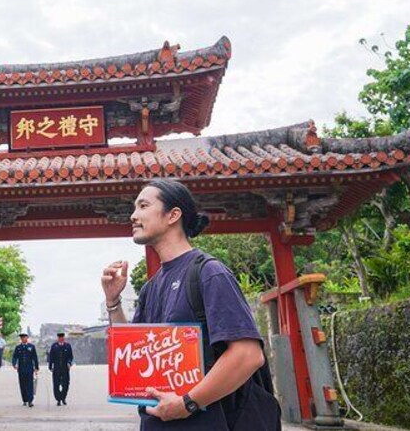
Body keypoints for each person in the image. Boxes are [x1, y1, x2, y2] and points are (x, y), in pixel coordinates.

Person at [101, 178, 281, 430]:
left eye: (143, 206)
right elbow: (130, 353)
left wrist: (187, 403)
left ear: (173, 215)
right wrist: (113, 301)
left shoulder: (209, 273)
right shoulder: (151, 287)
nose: (133, 215)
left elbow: (247, 354)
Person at [12, 332, 39, 407]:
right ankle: (25, 399)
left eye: (24, 337)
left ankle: (30, 400)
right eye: (22, 338)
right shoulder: (18, 347)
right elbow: (15, 357)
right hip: (21, 369)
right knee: (23, 385)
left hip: (29, 369)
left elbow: (35, 357)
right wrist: (14, 364)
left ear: (27, 338)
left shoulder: (31, 347)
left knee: (30, 384)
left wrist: (36, 368)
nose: (23, 339)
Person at [47, 332, 74, 406]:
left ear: (64, 338)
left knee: (66, 384)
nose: (61, 338)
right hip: (56, 368)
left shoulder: (67, 346)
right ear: (58, 338)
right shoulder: (54, 346)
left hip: (65, 368)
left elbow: (70, 357)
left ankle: (63, 397)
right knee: (56, 384)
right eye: (59, 337)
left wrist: (69, 363)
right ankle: (58, 399)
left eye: (62, 337)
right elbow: (51, 357)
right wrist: (50, 366)